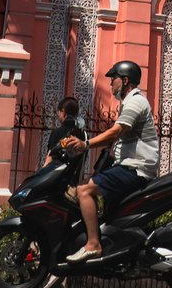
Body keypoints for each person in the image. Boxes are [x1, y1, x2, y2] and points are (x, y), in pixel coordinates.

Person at [63, 59, 159, 262]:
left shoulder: (135, 102)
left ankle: (93, 244)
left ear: (125, 81)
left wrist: (85, 144)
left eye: (113, 79)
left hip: (135, 169)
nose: (110, 84)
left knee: (84, 190)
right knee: (96, 190)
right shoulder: (130, 102)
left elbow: (116, 132)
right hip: (129, 166)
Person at [46, 95, 87, 162]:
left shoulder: (57, 132)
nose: (58, 115)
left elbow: (50, 157)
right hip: (75, 172)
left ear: (63, 112)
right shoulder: (83, 134)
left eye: (58, 111)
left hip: (58, 171)